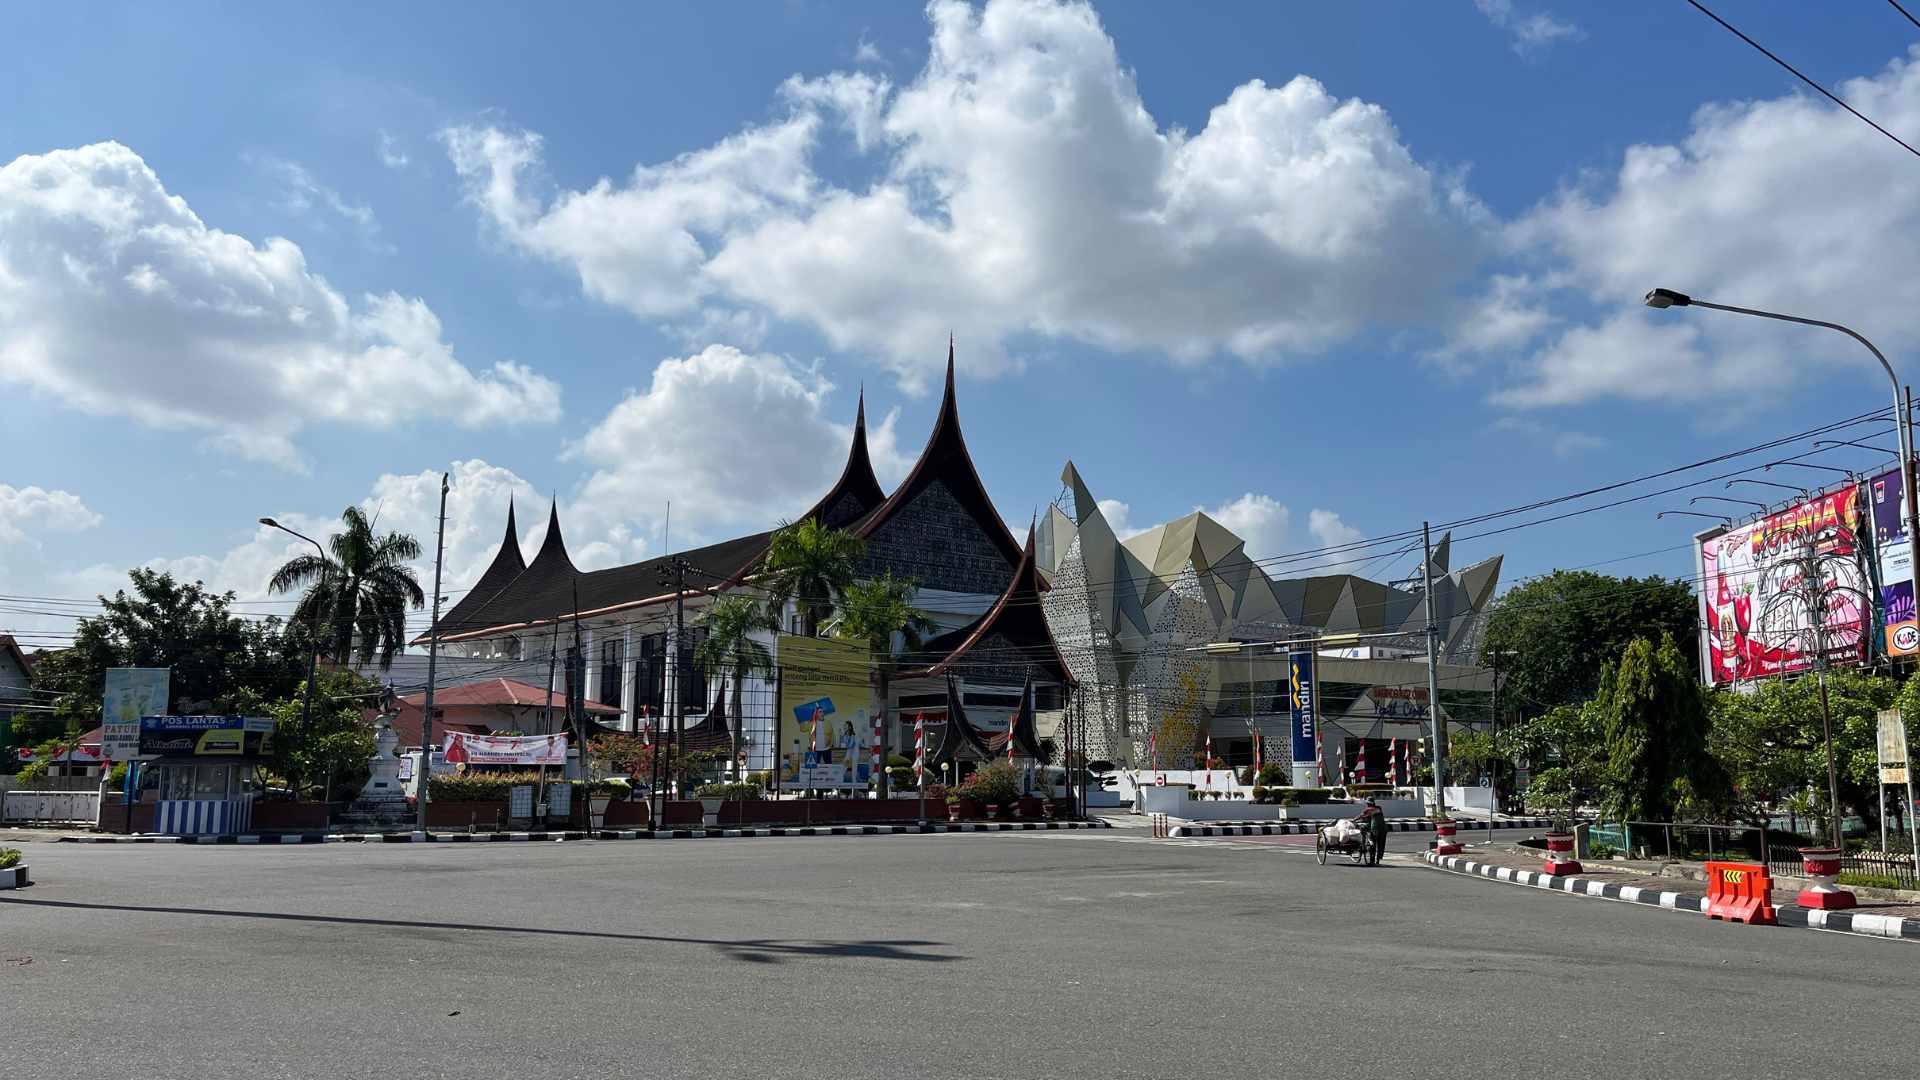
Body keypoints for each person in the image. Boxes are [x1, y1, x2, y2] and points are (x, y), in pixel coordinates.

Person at [1354, 796, 1388, 864]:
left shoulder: (1368, 809)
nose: (1366, 804)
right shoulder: (1379, 808)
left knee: (1372, 844)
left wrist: (1353, 820)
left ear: (1368, 803)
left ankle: (1372, 861)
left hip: (1375, 829)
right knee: (1381, 845)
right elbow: (1371, 816)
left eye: (1367, 803)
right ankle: (1378, 860)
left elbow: (1360, 816)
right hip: (1383, 829)